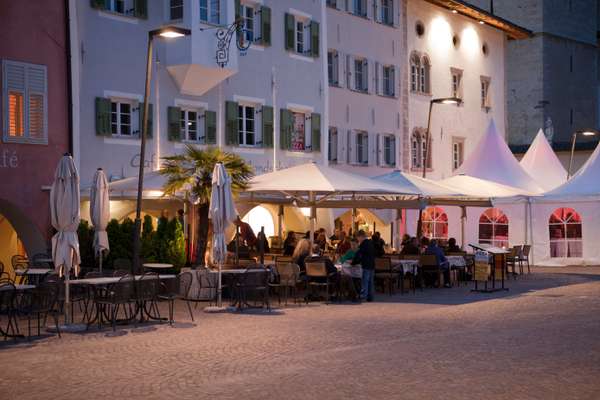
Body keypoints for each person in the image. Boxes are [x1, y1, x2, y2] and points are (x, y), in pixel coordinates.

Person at [351, 230, 376, 302]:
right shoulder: (370, 242)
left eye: (358, 238)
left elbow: (359, 255)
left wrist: (353, 263)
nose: (358, 240)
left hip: (366, 264)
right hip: (372, 264)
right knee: (370, 282)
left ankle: (364, 296)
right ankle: (370, 297)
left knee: (365, 281)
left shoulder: (363, 244)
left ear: (361, 237)